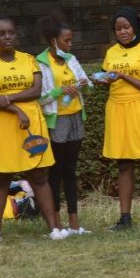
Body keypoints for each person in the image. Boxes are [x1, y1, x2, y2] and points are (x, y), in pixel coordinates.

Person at [0, 15, 64, 244]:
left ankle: (54, 229)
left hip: (30, 122)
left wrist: (8, 98)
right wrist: (17, 110)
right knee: (0, 177)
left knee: (38, 176)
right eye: (1, 34)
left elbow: (36, 91)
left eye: (11, 32)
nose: (7, 37)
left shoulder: (28, 59)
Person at [98, 7, 140, 231]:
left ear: (135, 27)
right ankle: (125, 218)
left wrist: (123, 76)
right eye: (118, 29)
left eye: (126, 27)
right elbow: (109, 80)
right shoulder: (111, 53)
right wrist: (101, 80)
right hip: (117, 109)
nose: (122, 32)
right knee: (124, 164)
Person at [36, 13, 91, 235]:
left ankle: (74, 224)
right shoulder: (40, 63)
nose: (70, 44)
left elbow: (86, 85)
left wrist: (85, 84)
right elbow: (38, 98)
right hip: (56, 120)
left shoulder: (71, 59)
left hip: (76, 117)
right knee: (56, 171)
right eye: (66, 40)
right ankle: (56, 223)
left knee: (70, 170)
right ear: (53, 41)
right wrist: (60, 90)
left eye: (71, 40)